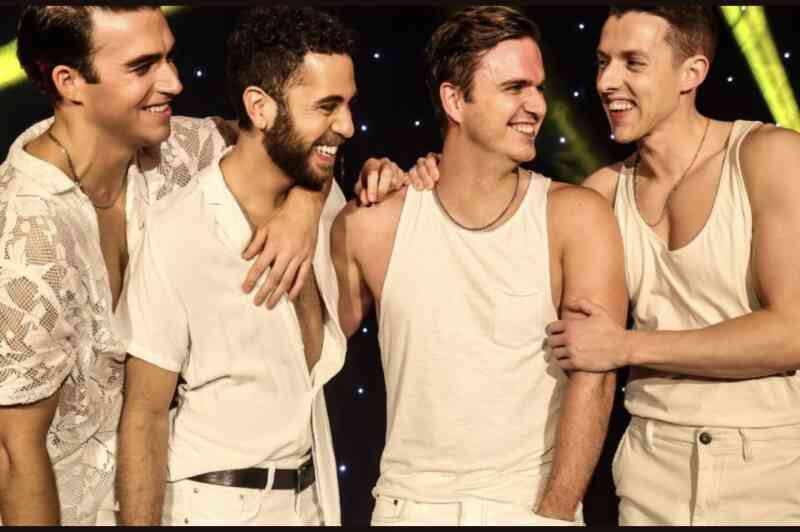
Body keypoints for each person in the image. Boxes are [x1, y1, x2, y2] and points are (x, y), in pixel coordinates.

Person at [0, 5, 403, 525]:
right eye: (142, 66)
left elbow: (295, 136)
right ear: (69, 81)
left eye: (169, 57)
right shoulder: (22, 234)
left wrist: (304, 210)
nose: (172, 81)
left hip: (185, 493)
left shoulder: (184, 146)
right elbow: (13, 455)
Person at [331, 6, 627, 526]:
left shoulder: (576, 216)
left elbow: (596, 378)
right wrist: (301, 205)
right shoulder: (373, 223)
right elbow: (308, 354)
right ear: (455, 100)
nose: (536, 104)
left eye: (538, 87)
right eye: (515, 87)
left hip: (529, 504)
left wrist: (553, 514)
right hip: (407, 506)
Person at [543, 6, 800, 525]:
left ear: (693, 72)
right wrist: (417, 184)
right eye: (602, 62)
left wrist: (626, 346)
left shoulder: (769, 155)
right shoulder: (602, 192)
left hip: (771, 474)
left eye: (632, 63)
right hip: (648, 471)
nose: (607, 81)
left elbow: (792, 330)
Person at [115, 6, 361, 525]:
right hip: (217, 505)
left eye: (348, 104)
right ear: (261, 107)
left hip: (312, 500)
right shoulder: (179, 231)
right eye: (327, 106)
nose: (347, 125)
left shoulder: (326, 196)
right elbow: (144, 416)